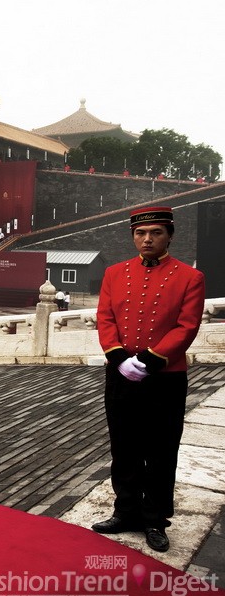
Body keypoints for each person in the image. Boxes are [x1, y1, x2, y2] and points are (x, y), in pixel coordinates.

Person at [91, 206, 205, 553]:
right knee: (124, 446)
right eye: (140, 234)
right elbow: (105, 316)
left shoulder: (190, 277)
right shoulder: (114, 272)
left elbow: (187, 326)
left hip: (165, 377)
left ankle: (155, 519)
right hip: (120, 373)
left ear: (169, 235)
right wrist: (118, 357)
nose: (147, 239)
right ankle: (125, 511)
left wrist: (149, 361)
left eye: (155, 233)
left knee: (160, 449)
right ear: (133, 237)